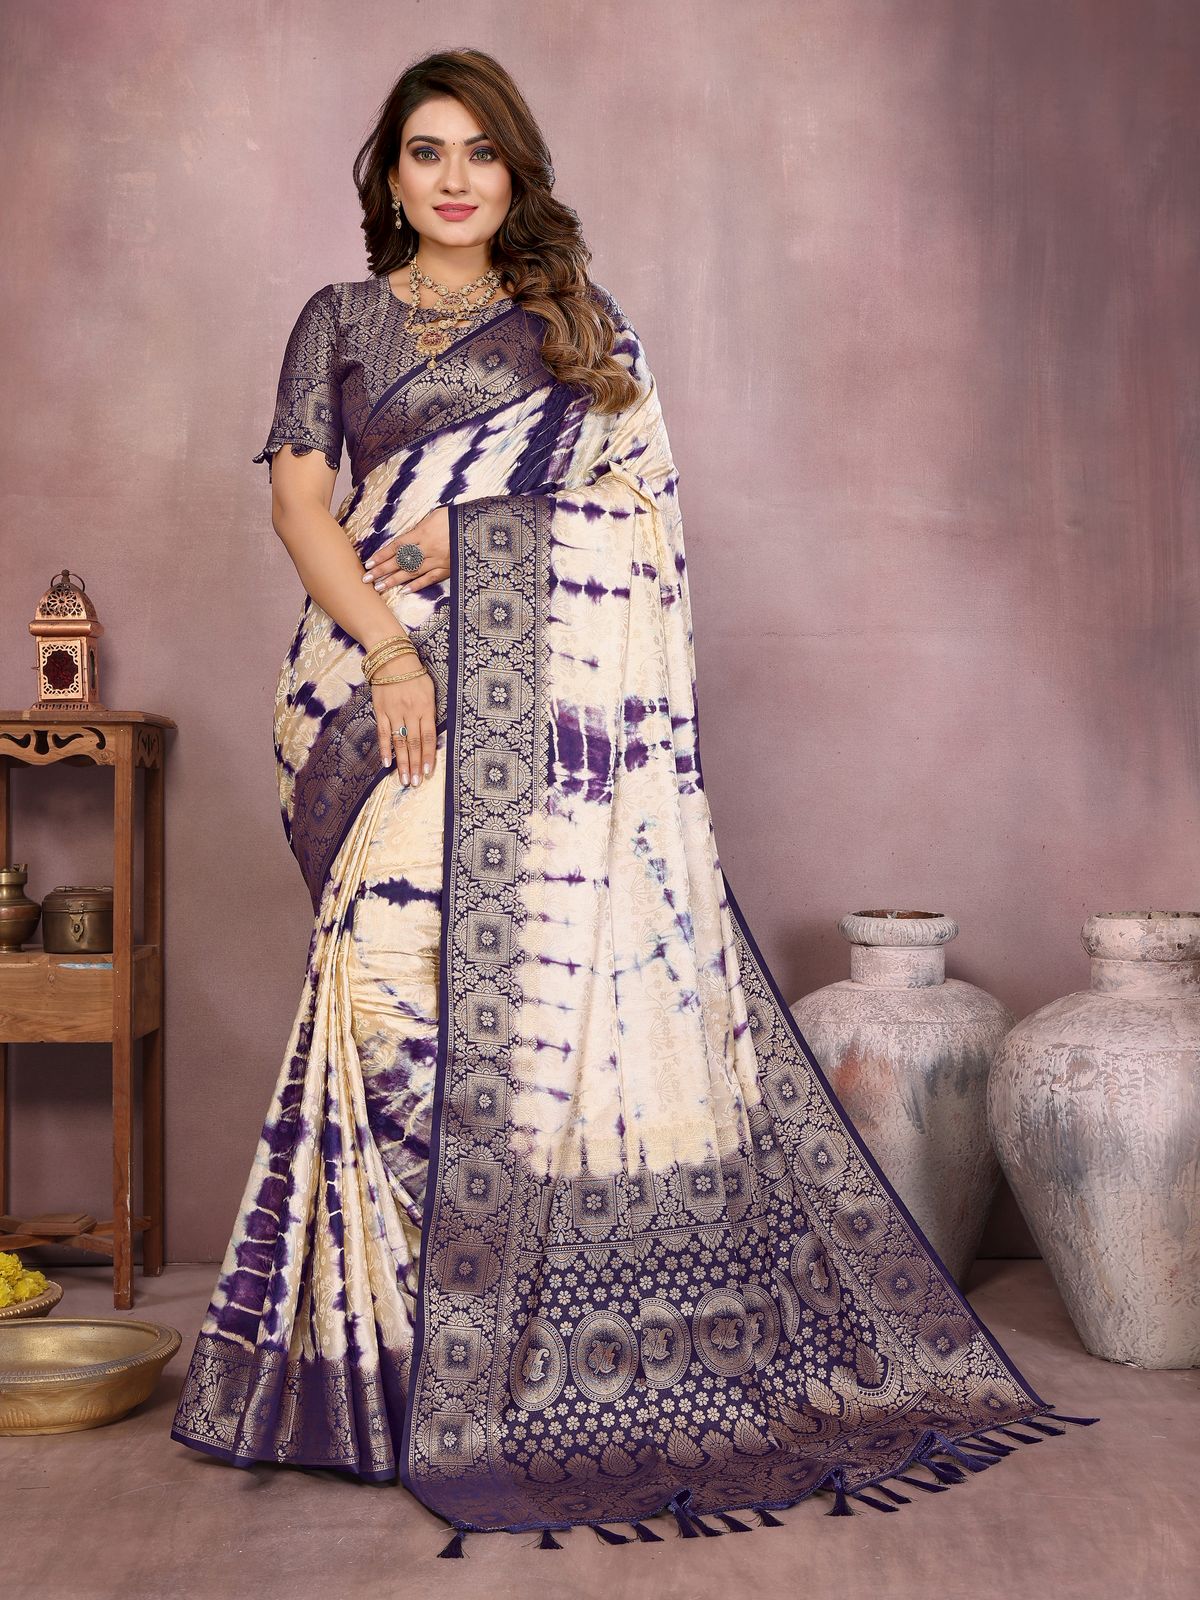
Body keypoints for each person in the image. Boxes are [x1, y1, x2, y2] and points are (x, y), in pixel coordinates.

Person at [170, 46, 1096, 1554]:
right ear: (389, 176)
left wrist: (483, 536)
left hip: (543, 710)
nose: (454, 177)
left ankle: (472, 1357)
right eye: (425, 152)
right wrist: (395, 656)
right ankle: (389, 1362)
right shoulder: (337, 322)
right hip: (366, 687)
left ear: (515, 174)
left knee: (499, 1005)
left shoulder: (573, 334)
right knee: (383, 984)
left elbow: (642, 521)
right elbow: (298, 502)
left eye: (480, 152)